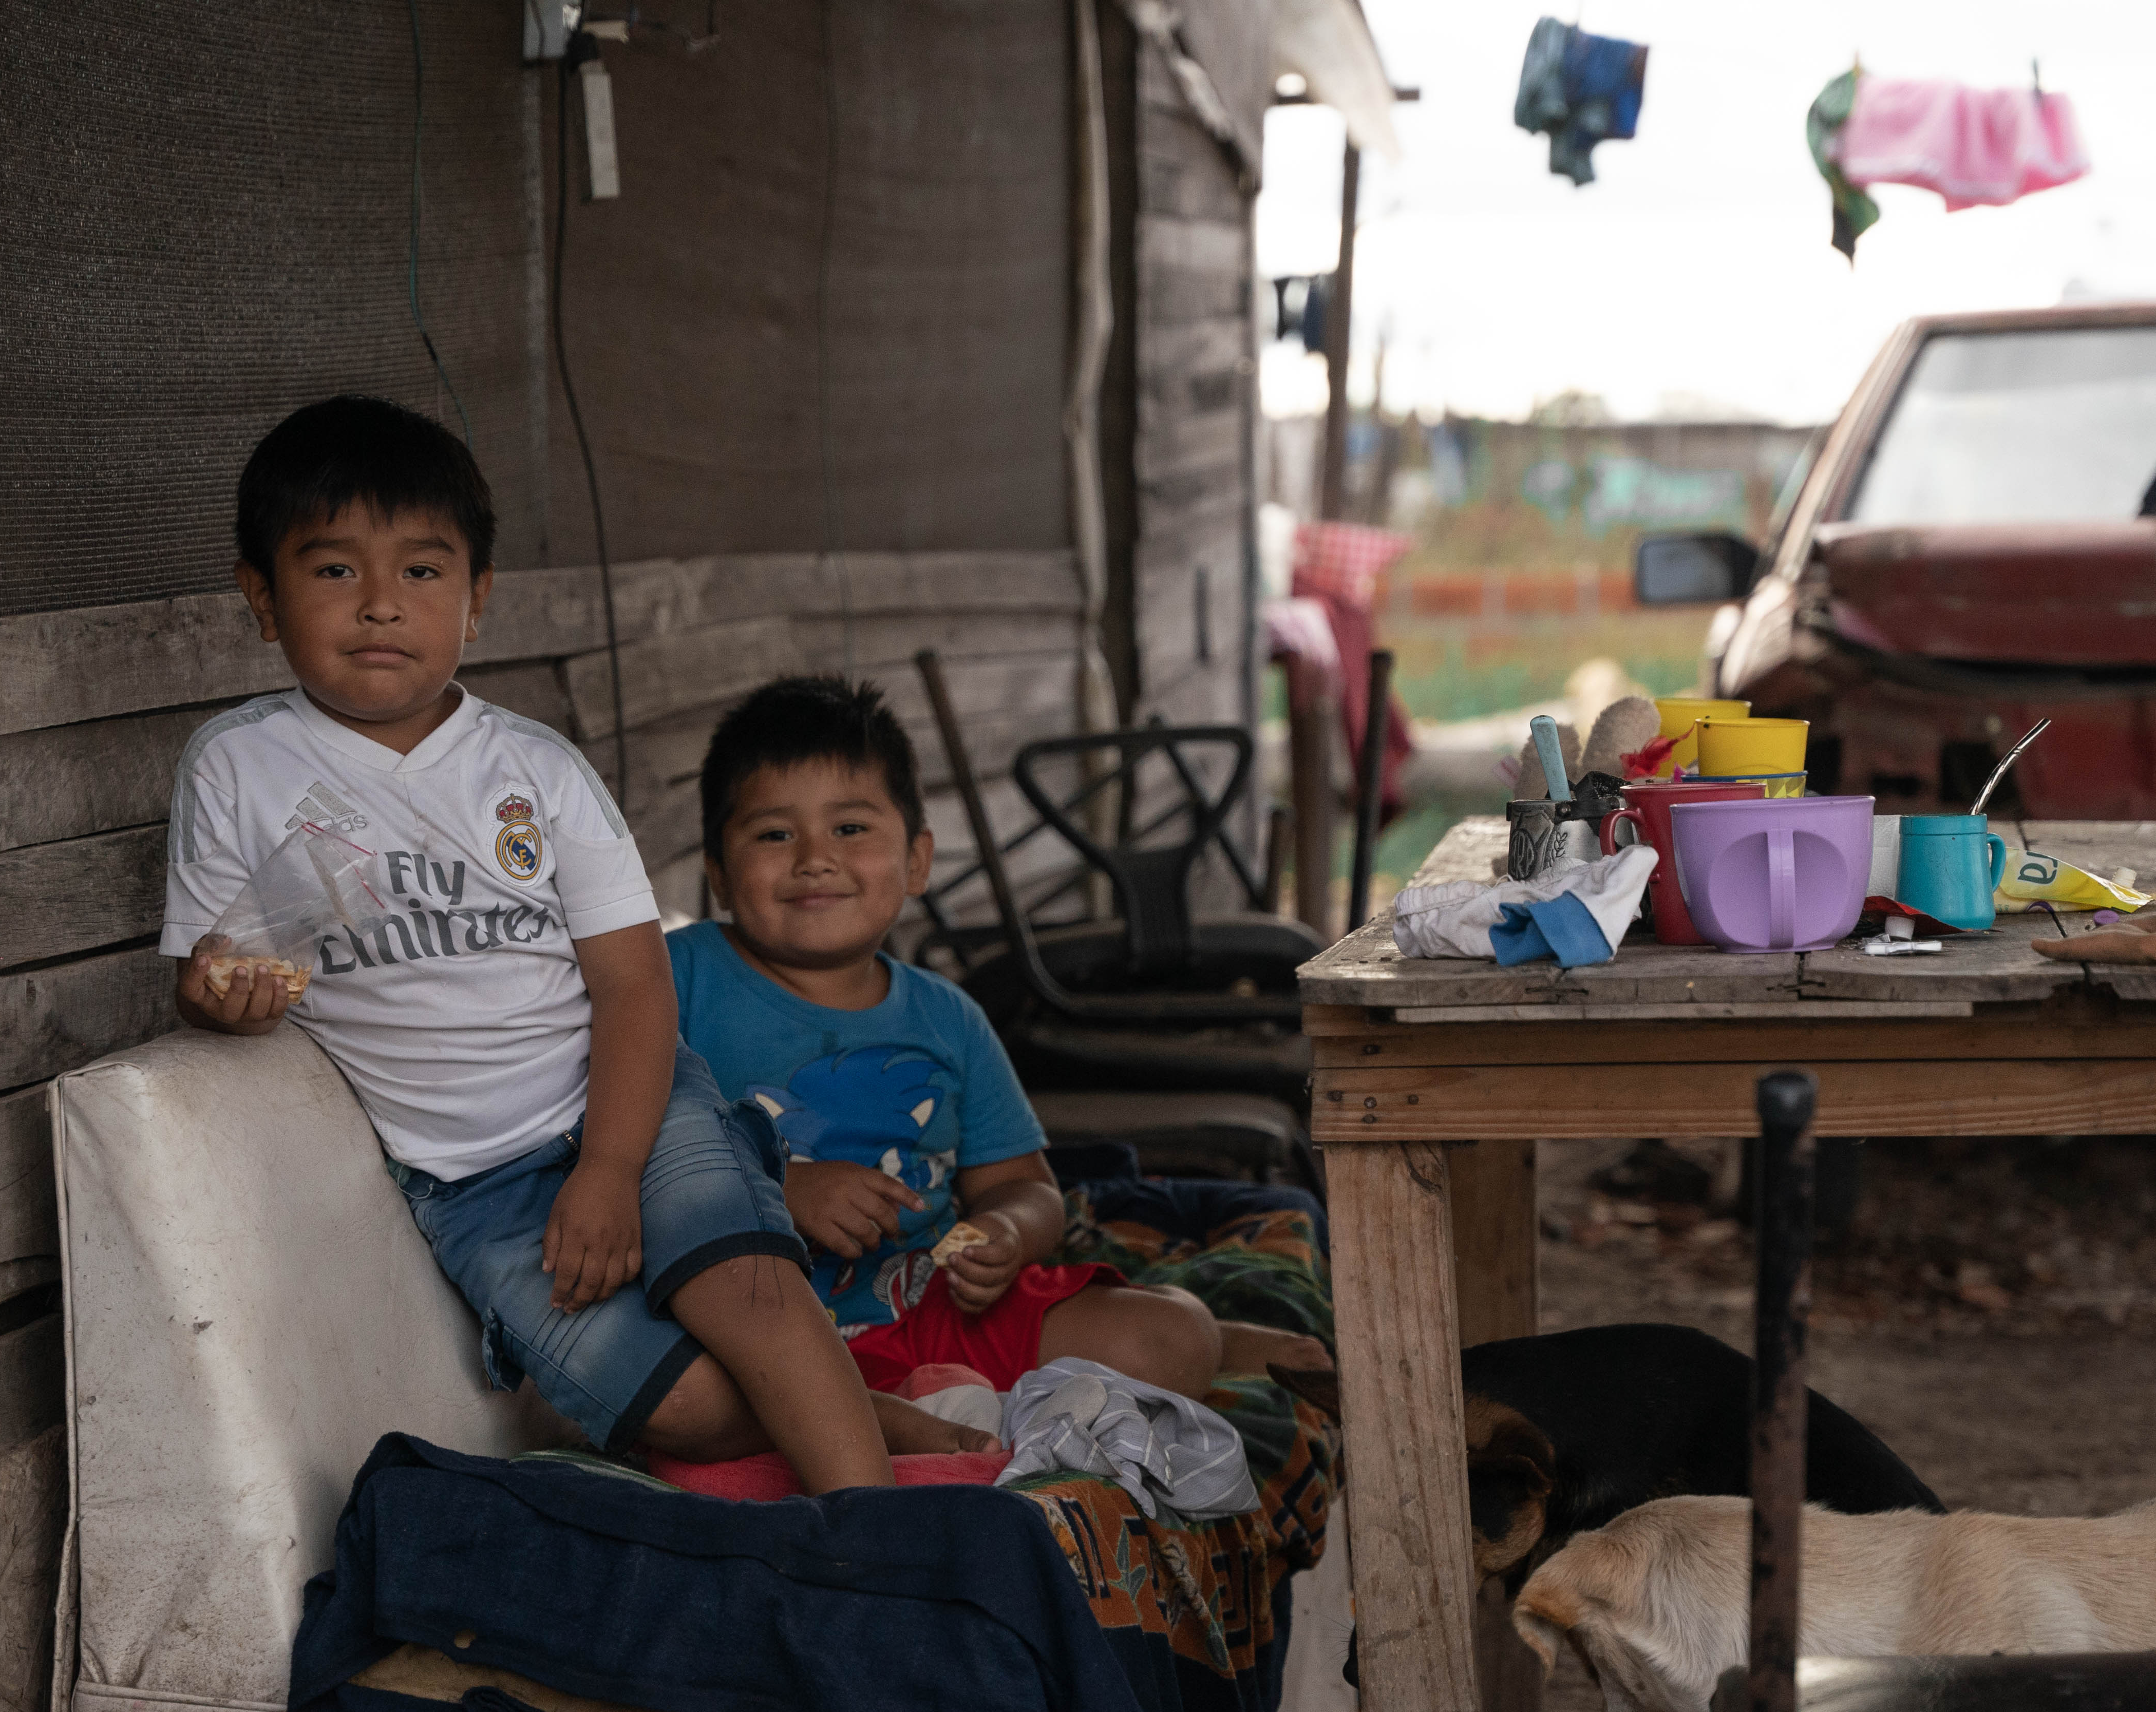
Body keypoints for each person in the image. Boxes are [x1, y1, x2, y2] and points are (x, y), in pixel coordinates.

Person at [163, 395, 974, 1492]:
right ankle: (853, 1408)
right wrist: (227, 997)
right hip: (471, 1182)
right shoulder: (240, 769)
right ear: (262, 598)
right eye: (333, 571)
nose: (379, 607)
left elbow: (636, 986)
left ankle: (882, 1538)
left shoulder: (535, 772)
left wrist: (610, 1164)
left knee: (745, 1289)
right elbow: (210, 971)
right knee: (677, 1406)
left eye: (421, 571)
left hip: (626, 1101)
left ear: (477, 599)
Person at [674, 675, 1328, 1400]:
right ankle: (919, 1421)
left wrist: (1005, 1236)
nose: (813, 858)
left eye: (851, 829)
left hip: (934, 1305)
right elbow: (605, 1146)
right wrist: (774, 1187)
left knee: (1167, 1337)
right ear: (719, 875)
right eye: (774, 834)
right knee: (685, 1402)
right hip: (750, 1335)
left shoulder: (947, 1017)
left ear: (917, 859)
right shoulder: (677, 983)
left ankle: (1205, 1346)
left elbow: (1025, 1188)